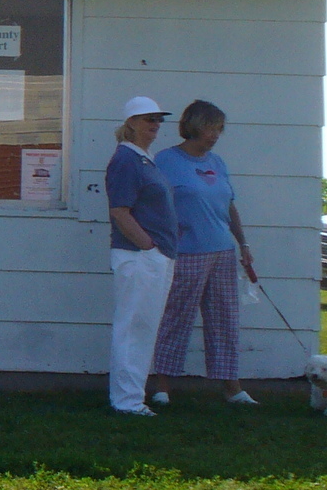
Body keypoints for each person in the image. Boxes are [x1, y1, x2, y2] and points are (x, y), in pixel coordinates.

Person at [149, 100, 258, 406]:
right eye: (211, 127)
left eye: (219, 128)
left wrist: (243, 245)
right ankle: (162, 388)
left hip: (222, 251)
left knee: (224, 319)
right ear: (194, 125)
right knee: (176, 317)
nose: (215, 134)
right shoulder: (167, 160)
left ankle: (232, 389)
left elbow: (229, 205)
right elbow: (154, 204)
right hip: (186, 253)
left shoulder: (217, 162)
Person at [105, 97, 178, 417]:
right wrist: (148, 247)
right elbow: (120, 211)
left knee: (144, 329)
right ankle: (127, 401)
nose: (155, 124)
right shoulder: (126, 160)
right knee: (133, 329)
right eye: (148, 118)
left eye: (158, 119)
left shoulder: (145, 159)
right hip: (138, 257)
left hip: (153, 257)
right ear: (131, 122)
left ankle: (133, 398)